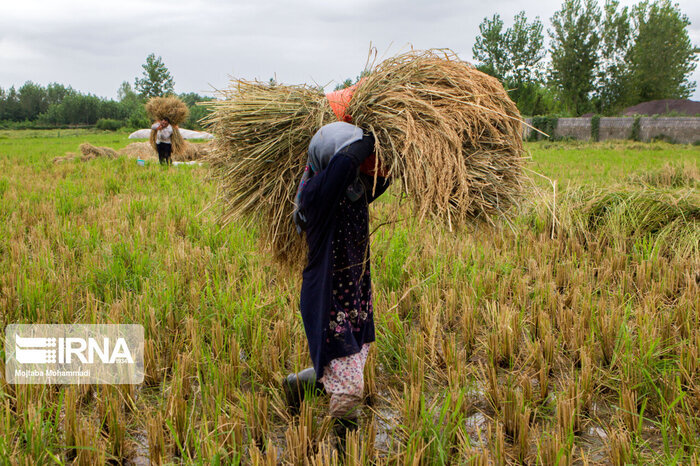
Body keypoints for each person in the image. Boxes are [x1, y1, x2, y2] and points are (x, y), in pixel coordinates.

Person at [284, 121, 391, 442]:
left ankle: (300, 383)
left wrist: (398, 144)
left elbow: (383, 178)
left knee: (353, 353)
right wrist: (372, 137)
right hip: (328, 296)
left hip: (354, 290)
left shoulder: (352, 189)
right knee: (349, 386)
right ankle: (346, 446)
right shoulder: (317, 193)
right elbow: (345, 162)